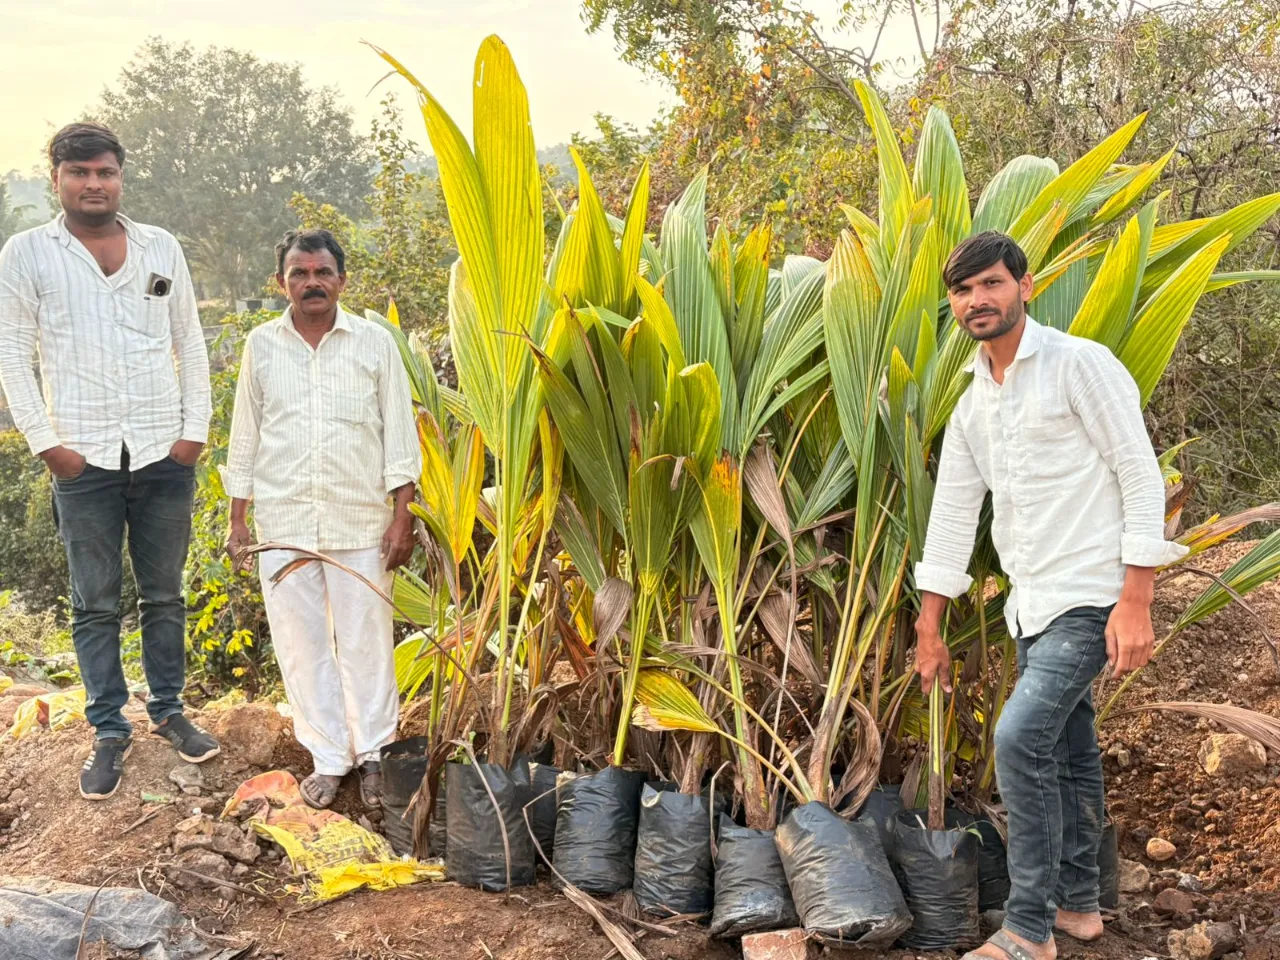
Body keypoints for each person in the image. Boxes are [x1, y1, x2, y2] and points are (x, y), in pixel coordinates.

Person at [913, 231, 1187, 960]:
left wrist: (1136, 600)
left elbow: (1139, 475)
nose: (979, 300)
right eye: (964, 291)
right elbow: (951, 513)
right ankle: (1081, 906)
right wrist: (929, 623)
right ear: (954, 303)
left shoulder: (1078, 366)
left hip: (1091, 594)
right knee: (1067, 751)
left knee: (1017, 738)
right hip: (1030, 604)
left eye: (992, 284)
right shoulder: (973, 403)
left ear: (1025, 287)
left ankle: (1029, 929)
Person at [0, 122, 217, 801]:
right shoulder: (28, 254)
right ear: (57, 178)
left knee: (165, 594)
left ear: (120, 177)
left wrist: (195, 432)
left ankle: (170, 711)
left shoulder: (160, 247)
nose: (94, 183)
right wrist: (47, 444)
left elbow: (190, 339)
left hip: (162, 451)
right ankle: (107, 729)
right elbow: (12, 353)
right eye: (79, 173)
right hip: (83, 457)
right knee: (93, 602)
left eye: (105, 172)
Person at [222, 229, 420, 810]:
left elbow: (399, 435)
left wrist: (402, 516)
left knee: (367, 641)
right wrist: (239, 519)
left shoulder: (374, 344)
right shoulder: (262, 345)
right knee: (301, 643)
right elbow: (245, 435)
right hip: (283, 522)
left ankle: (378, 752)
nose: (311, 283)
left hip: (361, 518)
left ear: (341, 279)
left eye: (322, 272)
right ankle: (330, 758)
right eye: (299, 273)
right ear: (281, 281)